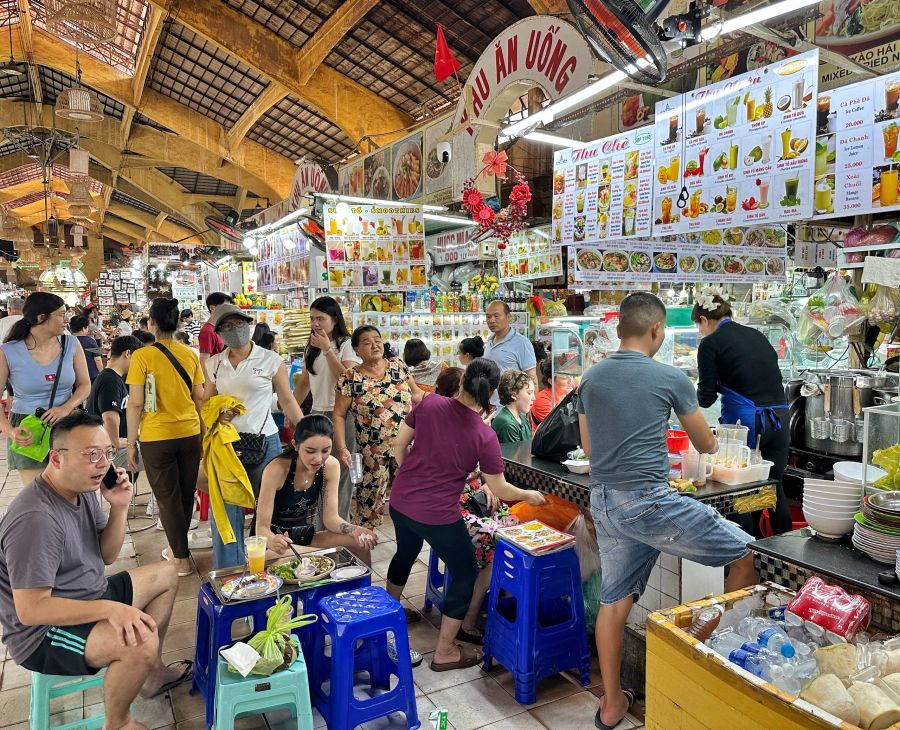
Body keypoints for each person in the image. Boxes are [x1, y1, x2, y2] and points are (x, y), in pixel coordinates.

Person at [577, 292, 756, 730]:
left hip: (603, 499)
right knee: (745, 553)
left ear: (620, 329)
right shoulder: (669, 377)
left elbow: (588, 448)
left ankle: (612, 703)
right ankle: (708, 669)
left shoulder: (591, 378)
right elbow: (706, 444)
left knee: (614, 601)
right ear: (657, 330)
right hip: (648, 502)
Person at [0, 411, 191, 730]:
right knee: (139, 642)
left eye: (106, 452)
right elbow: (31, 610)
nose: (103, 463)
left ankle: (150, 674)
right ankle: (118, 722)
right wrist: (110, 609)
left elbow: (107, 554)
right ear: (57, 459)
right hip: (44, 632)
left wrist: (118, 506)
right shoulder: (35, 519)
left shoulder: (82, 489)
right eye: (91, 454)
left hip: (88, 595)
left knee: (167, 575)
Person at [387, 358, 545, 671]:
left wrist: (412, 475)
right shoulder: (482, 435)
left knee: (405, 552)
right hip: (438, 514)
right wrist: (529, 495)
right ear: (493, 396)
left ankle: (389, 612)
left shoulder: (430, 403)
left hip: (401, 501)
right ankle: (445, 651)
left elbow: (398, 445)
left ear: (461, 383)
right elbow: (499, 488)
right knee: (463, 571)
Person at [203, 304, 303, 569]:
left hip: (265, 443)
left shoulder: (270, 360)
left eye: (238, 323)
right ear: (219, 334)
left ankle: (276, 567)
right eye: (226, 327)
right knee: (226, 511)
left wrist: (305, 432)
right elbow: (206, 401)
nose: (234, 330)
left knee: (272, 508)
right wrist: (216, 413)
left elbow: (287, 400)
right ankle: (231, 573)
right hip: (227, 446)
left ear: (248, 325)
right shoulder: (214, 364)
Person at [693, 288, 791, 537]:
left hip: (746, 423)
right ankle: (785, 558)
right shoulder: (755, 335)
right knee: (774, 488)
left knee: (737, 491)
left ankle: (746, 560)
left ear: (705, 320)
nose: (700, 332)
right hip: (780, 419)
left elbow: (705, 399)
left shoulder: (709, 344)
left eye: (699, 326)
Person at [433, 366, 519, 644]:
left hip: (472, 501)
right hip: (448, 508)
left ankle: (498, 599)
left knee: (515, 528)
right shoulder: (436, 422)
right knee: (494, 540)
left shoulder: (475, 425)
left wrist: (483, 482)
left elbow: (481, 469)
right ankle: (468, 619)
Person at [126, 298, 205, 578]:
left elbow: (135, 403)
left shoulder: (142, 356)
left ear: (152, 324)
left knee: (167, 498)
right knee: (184, 494)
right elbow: (199, 398)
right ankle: (178, 548)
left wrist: (129, 442)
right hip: (189, 433)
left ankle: (181, 558)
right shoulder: (189, 354)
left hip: (156, 436)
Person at [333, 325, 424, 530]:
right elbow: (338, 415)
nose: (374, 344)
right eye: (367, 342)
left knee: (413, 503)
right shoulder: (350, 378)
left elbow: (417, 394)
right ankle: (362, 549)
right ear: (356, 350)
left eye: (377, 340)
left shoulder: (398, 366)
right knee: (369, 509)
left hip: (408, 448)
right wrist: (341, 448)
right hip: (373, 455)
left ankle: (409, 543)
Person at [256, 415, 378, 563]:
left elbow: (331, 519)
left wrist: (354, 530)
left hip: (305, 538)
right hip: (277, 548)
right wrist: (273, 540)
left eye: (325, 450)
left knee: (360, 543)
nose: (318, 459)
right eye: (310, 451)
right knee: (325, 556)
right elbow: (261, 529)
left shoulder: (330, 466)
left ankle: (363, 586)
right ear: (295, 444)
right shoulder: (276, 469)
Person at [0, 292, 92, 485]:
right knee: (37, 492)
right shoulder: (8, 351)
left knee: (69, 488)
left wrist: (66, 408)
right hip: (28, 427)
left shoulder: (71, 344)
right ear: (42, 317)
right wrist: (10, 431)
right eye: (61, 314)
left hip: (67, 424)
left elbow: (84, 385)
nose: (67, 320)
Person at [292, 296, 360, 520]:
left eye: (321, 318)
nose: (315, 323)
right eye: (312, 318)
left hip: (341, 415)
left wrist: (327, 349)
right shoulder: (311, 346)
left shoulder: (346, 344)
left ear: (334, 319)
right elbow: (304, 382)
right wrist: (291, 409)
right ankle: (323, 526)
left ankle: (337, 526)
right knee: (316, 473)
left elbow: (347, 379)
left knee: (339, 474)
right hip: (316, 414)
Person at [87, 335, 144, 470]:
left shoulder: (116, 378)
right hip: (110, 451)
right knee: (161, 458)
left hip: (115, 446)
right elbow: (110, 417)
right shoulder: (110, 379)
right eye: (138, 359)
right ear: (127, 354)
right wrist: (115, 442)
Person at [483, 300, 536, 406]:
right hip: (490, 405)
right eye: (488, 317)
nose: (492, 320)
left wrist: (530, 408)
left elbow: (532, 378)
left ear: (508, 317)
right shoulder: (489, 341)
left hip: (511, 408)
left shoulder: (521, 343)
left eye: (496, 316)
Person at [491, 369, 535, 444]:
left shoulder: (522, 417)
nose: (534, 398)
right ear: (514, 395)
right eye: (529, 393)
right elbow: (516, 455)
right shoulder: (507, 424)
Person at [199, 292, 234, 379]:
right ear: (212, 308)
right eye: (225, 307)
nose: (229, 310)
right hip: (216, 378)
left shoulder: (220, 328)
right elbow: (204, 360)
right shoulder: (207, 332)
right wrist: (209, 384)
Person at [531, 360, 575, 427]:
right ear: (551, 381)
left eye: (570, 376)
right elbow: (556, 426)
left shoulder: (567, 393)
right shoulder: (542, 399)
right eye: (564, 378)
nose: (570, 381)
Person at [70, 314, 103, 382]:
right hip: (91, 374)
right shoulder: (91, 341)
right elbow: (98, 360)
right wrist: (102, 373)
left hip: (72, 375)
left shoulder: (66, 341)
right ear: (83, 328)